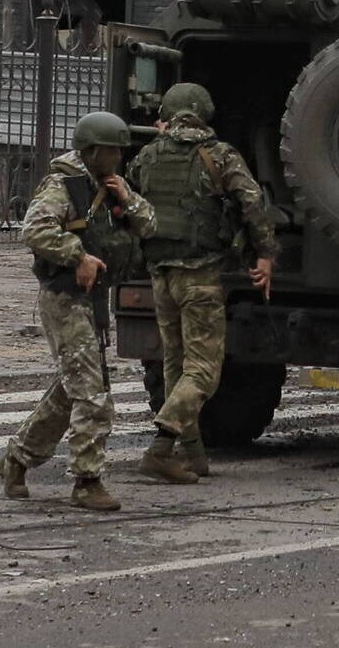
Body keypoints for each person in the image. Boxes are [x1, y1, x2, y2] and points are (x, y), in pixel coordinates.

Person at [0, 111, 156, 513]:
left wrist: (128, 198)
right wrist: (78, 255)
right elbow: (35, 230)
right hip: (66, 297)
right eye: (112, 150)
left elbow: (151, 225)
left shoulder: (110, 186)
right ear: (92, 150)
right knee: (91, 393)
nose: (119, 157)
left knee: (71, 391)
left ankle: (17, 459)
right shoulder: (63, 185)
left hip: (94, 300)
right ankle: (87, 481)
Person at [126, 81, 276, 485]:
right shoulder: (219, 155)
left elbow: (130, 194)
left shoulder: (147, 156)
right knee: (205, 371)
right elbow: (252, 202)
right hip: (200, 276)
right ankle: (162, 445)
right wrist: (264, 254)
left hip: (161, 275)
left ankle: (193, 455)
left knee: (175, 364)